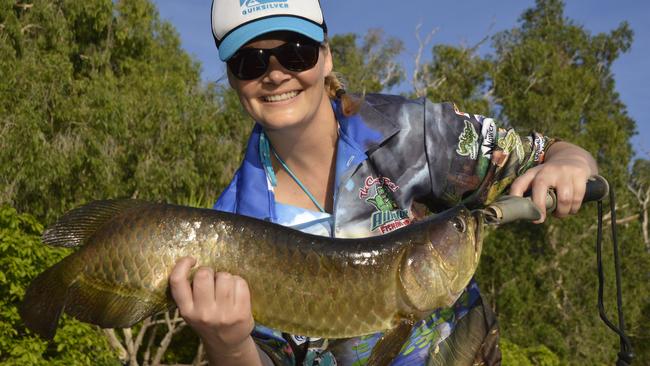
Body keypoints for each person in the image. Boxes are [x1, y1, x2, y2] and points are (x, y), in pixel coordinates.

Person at [168, 0, 598, 365]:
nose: (275, 73)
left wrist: (571, 162)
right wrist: (228, 344)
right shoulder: (224, 227)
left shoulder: (413, 131)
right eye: (250, 61)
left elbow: (546, 151)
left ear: (327, 56)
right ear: (233, 79)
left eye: (296, 52)